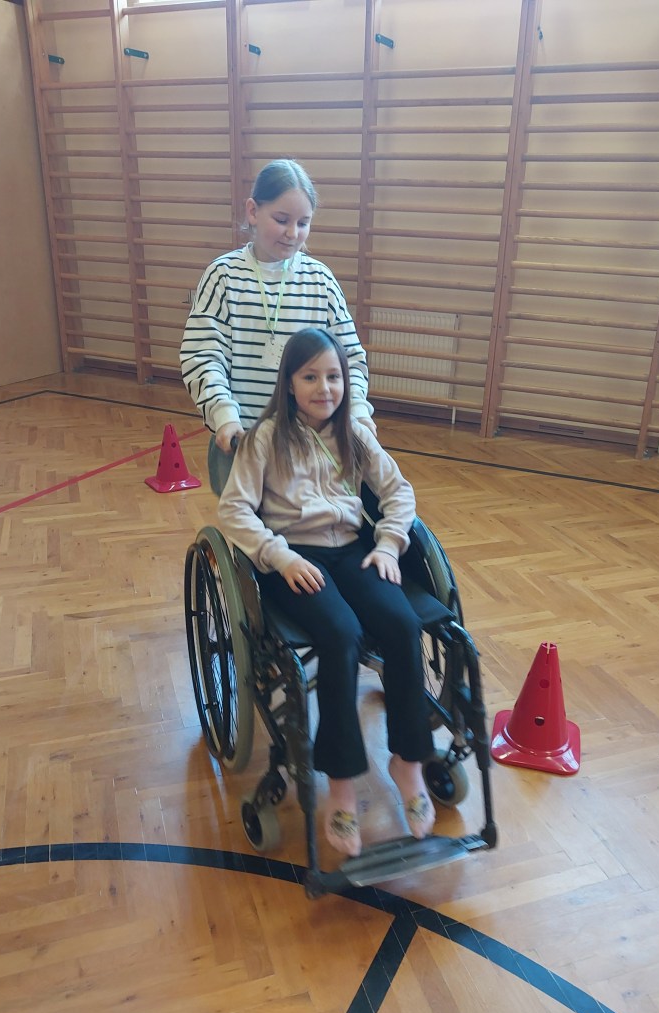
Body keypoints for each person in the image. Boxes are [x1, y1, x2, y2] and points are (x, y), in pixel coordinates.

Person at [219, 327, 436, 858]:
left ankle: (407, 764)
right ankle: (341, 787)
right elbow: (234, 510)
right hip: (295, 558)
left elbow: (398, 492)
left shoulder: (354, 432)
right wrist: (279, 556)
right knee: (340, 635)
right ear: (290, 383)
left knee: (402, 625)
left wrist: (389, 545)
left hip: (354, 550)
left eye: (334, 376)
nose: (324, 388)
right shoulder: (266, 437)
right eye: (310, 377)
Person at [180, 158, 376, 494]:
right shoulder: (223, 276)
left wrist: (357, 411)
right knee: (246, 524)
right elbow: (203, 356)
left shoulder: (321, 281)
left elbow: (351, 360)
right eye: (282, 220)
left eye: (303, 222)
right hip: (244, 442)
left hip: (310, 446)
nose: (293, 233)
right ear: (253, 212)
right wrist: (223, 415)